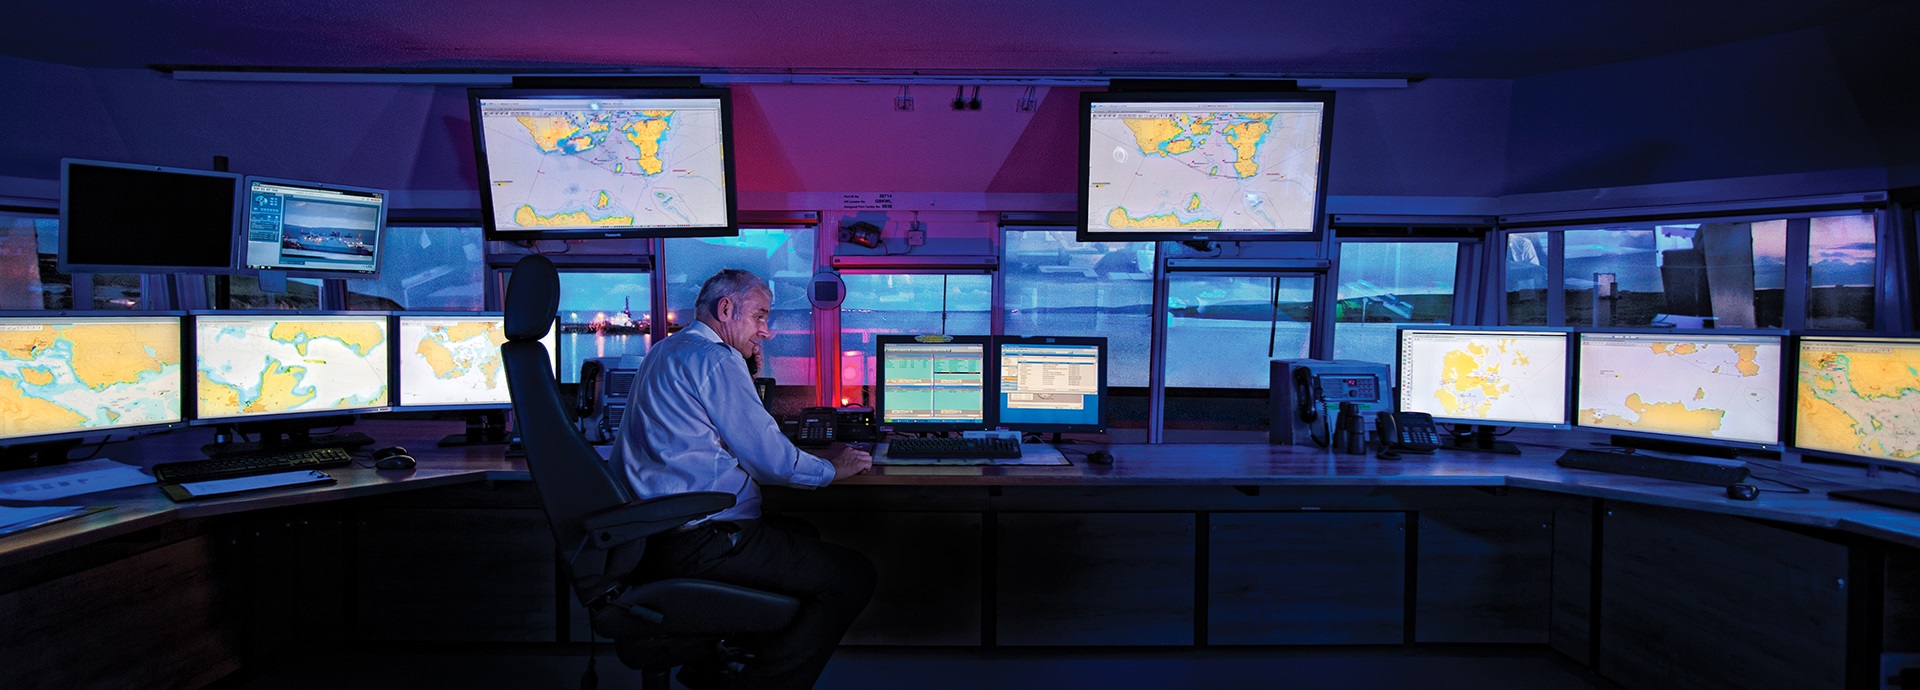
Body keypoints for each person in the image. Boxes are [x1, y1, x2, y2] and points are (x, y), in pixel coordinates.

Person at [612, 268, 875, 690]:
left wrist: (746, 373)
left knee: (802, 532)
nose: (766, 331)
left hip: (656, 535)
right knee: (854, 575)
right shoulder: (717, 359)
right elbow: (771, 460)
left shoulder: (666, 350)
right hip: (701, 540)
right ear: (727, 308)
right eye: (760, 317)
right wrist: (832, 469)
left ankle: (715, 663)